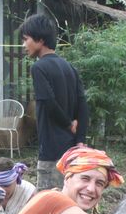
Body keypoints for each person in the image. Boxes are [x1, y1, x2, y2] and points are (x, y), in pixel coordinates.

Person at [20, 14, 89, 191]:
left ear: (40, 40)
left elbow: (48, 102)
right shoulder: (70, 67)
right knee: (71, 201)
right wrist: (80, 138)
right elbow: (82, 104)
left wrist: (67, 124)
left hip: (52, 153)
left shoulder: (39, 67)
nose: (23, 45)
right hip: (72, 152)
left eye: (26, 39)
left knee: (50, 208)